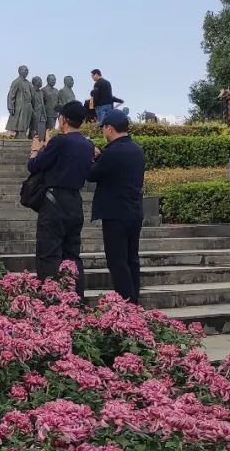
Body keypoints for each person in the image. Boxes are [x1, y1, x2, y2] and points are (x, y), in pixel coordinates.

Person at [26, 101, 95, 297]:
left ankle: (50, 301)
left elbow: (35, 166)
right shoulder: (88, 144)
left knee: (49, 254)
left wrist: (36, 149)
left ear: (63, 120)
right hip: (74, 202)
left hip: (54, 202)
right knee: (72, 255)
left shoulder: (60, 141)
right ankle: (75, 299)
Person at [87, 110, 145, 303]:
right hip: (134, 212)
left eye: (103, 128)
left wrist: (92, 157)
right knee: (131, 259)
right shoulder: (137, 149)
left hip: (115, 214)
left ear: (109, 129)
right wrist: (101, 156)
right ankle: (134, 301)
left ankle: (127, 304)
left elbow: (92, 174)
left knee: (117, 261)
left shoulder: (113, 152)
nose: (103, 132)